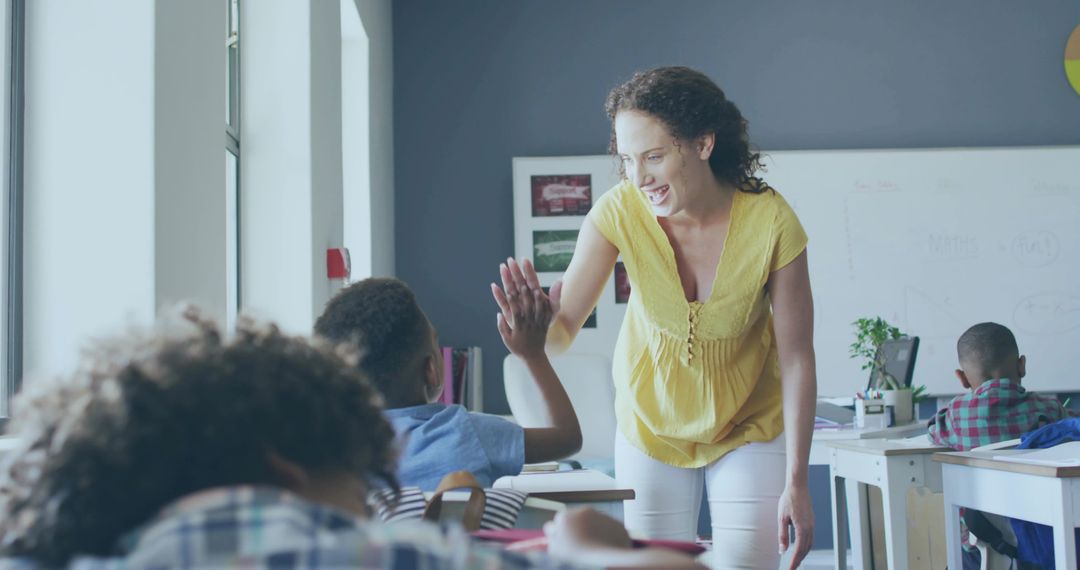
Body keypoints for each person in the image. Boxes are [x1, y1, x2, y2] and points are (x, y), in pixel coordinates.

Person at [0, 307, 703, 569]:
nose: (369, 503)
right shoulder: (267, 540)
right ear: (284, 473)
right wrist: (582, 543)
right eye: (357, 481)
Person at [493, 66, 817, 569]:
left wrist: (798, 480)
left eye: (654, 156)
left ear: (703, 144)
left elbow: (796, 359)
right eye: (626, 159)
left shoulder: (772, 223)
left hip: (748, 422)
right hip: (651, 422)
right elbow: (560, 335)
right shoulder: (619, 211)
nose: (638, 177)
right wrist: (533, 338)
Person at [315, 277, 581, 490]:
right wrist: (533, 354)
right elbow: (567, 437)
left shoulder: (331, 454)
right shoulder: (463, 431)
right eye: (435, 340)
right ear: (431, 370)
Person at [928, 321, 1073, 450]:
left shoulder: (956, 413)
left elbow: (932, 432)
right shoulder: (1050, 409)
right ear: (1021, 365)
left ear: (963, 378)